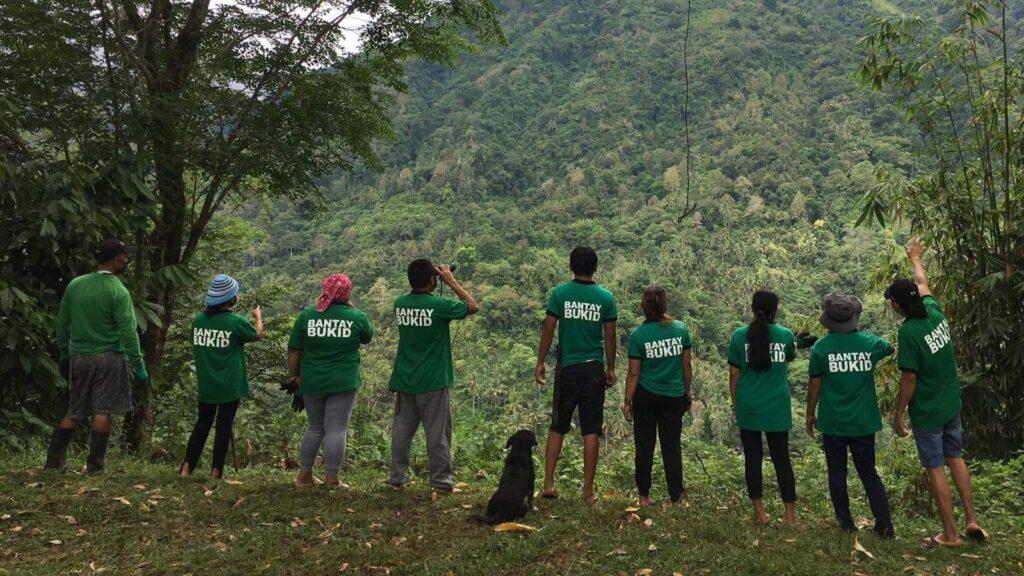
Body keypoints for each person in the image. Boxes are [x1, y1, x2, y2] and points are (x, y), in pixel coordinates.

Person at [887, 238, 986, 547]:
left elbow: (909, 379)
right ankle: (972, 519)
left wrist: (899, 412)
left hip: (929, 411)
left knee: (935, 468)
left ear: (898, 306)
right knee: (955, 457)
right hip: (951, 403)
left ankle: (951, 534)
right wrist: (915, 257)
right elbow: (923, 282)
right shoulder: (933, 310)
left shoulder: (909, 333)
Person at [44, 239, 149, 475]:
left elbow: (62, 323)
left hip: (79, 357)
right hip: (109, 358)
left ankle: (53, 463)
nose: (126, 260)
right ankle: (94, 467)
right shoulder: (118, 291)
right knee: (103, 411)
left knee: (74, 410)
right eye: (124, 256)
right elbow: (128, 332)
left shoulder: (76, 285)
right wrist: (138, 365)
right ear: (116, 259)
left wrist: (64, 353)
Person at [806, 293, 894, 538]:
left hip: (833, 422)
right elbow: (889, 347)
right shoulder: (870, 344)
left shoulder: (821, 348)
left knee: (837, 472)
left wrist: (809, 414)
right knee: (869, 472)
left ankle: (845, 523)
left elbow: (814, 385)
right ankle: (884, 525)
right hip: (863, 422)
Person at [535, 246, 617, 502]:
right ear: (595, 268)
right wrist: (611, 367)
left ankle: (548, 483)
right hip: (593, 369)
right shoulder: (606, 297)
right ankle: (588, 491)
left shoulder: (559, 294)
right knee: (591, 429)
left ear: (571, 266)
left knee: (558, 424)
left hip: (567, 368)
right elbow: (610, 335)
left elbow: (549, 328)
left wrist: (540, 361)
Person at [388, 260, 478, 493]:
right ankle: (440, 482)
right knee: (437, 434)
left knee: (402, 432)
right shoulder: (440, 306)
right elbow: (472, 306)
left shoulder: (400, 304)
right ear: (432, 280)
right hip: (433, 381)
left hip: (405, 379)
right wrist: (451, 281)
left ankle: (396, 478)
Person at [287, 273, 373, 487]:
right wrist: (350, 306)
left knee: (315, 427)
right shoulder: (357, 316)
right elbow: (367, 337)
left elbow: (294, 350)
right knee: (337, 429)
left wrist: (294, 376)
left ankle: (304, 476)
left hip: (312, 381)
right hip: (343, 381)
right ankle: (331, 478)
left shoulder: (307, 316)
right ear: (347, 293)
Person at [180, 274, 262, 480]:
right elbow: (257, 335)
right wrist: (258, 317)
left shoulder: (198, 320)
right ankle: (216, 472)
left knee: (202, 424)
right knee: (223, 427)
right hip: (230, 385)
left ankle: (186, 468)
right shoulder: (235, 322)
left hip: (206, 384)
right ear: (231, 299)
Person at [728, 289, 798, 526]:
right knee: (782, 459)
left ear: (752, 308)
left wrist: (734, 400)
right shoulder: (785, 335)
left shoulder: (739, 336)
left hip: (748, 404)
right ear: (775, 310)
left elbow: (734, 373)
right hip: (777, 405)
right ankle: (789, 516)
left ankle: (760, 513)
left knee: (753, 459)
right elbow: (790, 356)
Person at [622, 286, 693, 505]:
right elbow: (686, 365)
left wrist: (627, 401)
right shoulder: (680, 330)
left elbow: (634, 373)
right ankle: (676, 495)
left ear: (644, 307)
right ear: (664, 305)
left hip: (646, 396)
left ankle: (644, 496)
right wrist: (687, 391)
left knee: (644, 445)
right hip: (674, 396)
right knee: (671, 446)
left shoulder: (638, 336)